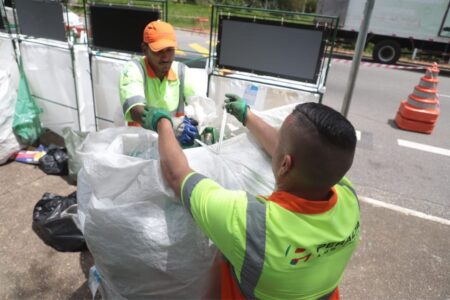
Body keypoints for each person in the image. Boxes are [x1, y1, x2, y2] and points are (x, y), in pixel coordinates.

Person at [147, 94, 360, 299]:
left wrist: (163, 123)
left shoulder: (252, 224)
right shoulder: (349, 199)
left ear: (285, 164)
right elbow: (297, 153)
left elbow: (176, 175)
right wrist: (247, 116)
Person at [119, 20, 199, 146]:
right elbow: (135, 110)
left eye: (170, 50)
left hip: (174, 144)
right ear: (144, 49)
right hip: (140, 145)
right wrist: (166, 124)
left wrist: (201, 125)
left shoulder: (182, 72)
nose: (166, 57)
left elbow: (200, 106)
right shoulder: (134, 70)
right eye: (159, 51)